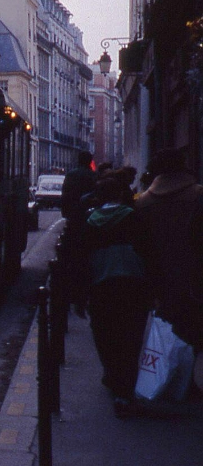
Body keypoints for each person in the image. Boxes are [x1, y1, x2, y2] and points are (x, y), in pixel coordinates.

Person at [79, 174, 151, 417]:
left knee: (105, 334)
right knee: (131, 339)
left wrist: (79, 296)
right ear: (121, 195)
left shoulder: (89, 222)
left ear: (99, 198)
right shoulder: (134, 218)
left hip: (101, 286)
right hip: (133, 285)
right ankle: (125, 391)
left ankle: (111, 373)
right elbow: (148, 254)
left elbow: (79, 262)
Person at [136, 148, 203, 355]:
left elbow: (140, 245)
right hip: (193, 275)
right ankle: (186, 377)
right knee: (191, 329)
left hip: (158, 278)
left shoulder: (143, 203)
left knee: (166, 330)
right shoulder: (198, 195)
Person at [59, 151, 98, 315]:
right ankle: (84, 292)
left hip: (74, 220)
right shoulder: (94, 177)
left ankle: (71, 293)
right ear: (90, 162)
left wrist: (67, 214)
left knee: (71, 257)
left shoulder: (71, 175)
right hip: (90, 221)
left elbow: (65, 197)